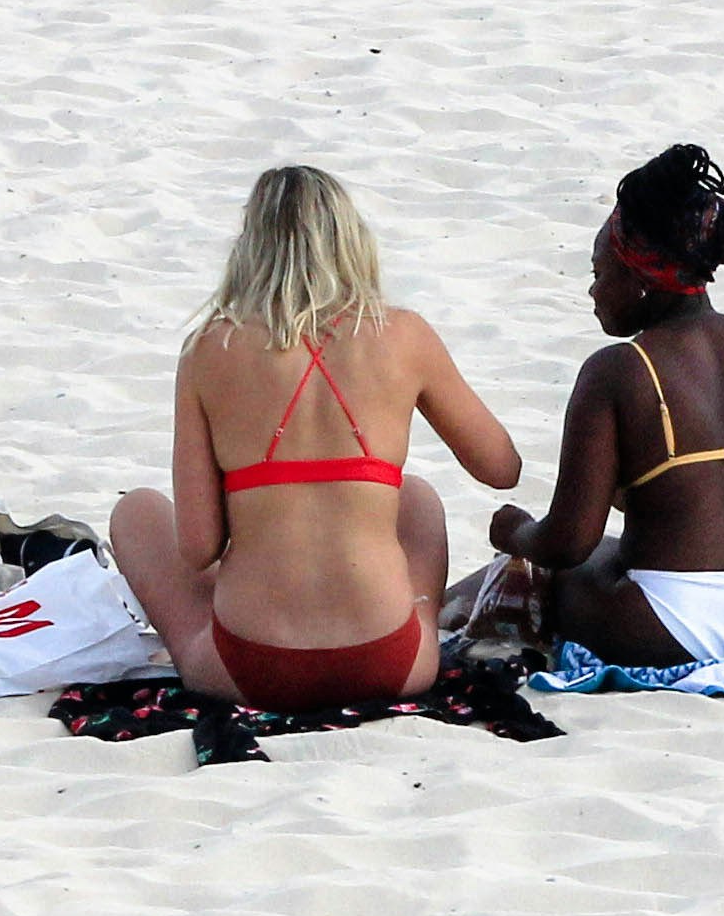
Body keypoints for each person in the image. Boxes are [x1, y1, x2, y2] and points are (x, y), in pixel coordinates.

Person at [110, 166, 523, 706]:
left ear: (250, 247)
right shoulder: (403, 335)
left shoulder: (209, 350)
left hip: (254, 667)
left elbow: (198, 547)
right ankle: (420, 614)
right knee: (416, 497)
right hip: (389, 662)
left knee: (136, 511)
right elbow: (502, 468)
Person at [487, 143, 724, 669]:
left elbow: (568, 541)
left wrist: (514, 531)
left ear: (638, 277)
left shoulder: (618, 368)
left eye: (599, 272)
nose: (592, 290)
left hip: (672, 623)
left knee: (564, 573)